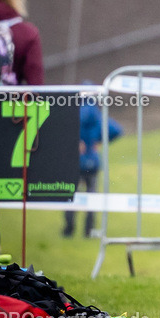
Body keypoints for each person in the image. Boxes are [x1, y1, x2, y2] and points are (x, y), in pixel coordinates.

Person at [63, 94, 123, 238]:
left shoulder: (74, 115)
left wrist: (74, 141)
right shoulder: (98, 116)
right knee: (92, 197)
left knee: (71, 196)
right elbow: (117, 130)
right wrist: (100, 139)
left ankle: (68, 230)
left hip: (74, 161)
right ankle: (88, 231)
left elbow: (62, 129)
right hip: (93, 162)